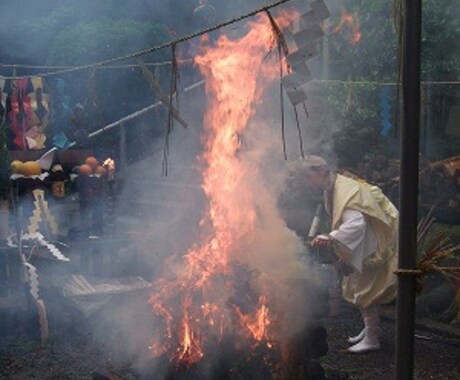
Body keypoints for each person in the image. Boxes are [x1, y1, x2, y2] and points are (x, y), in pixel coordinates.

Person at [301, 155, 398, 354]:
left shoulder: (344, 190)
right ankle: (369, 330)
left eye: (307, 176)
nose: (306, 182)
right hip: (363, 241)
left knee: (366, 290)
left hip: (369, 243)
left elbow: (356, 224)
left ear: (320, 172)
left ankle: (372, 338)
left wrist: (330, 237)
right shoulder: (333, 186)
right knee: (359, 285)